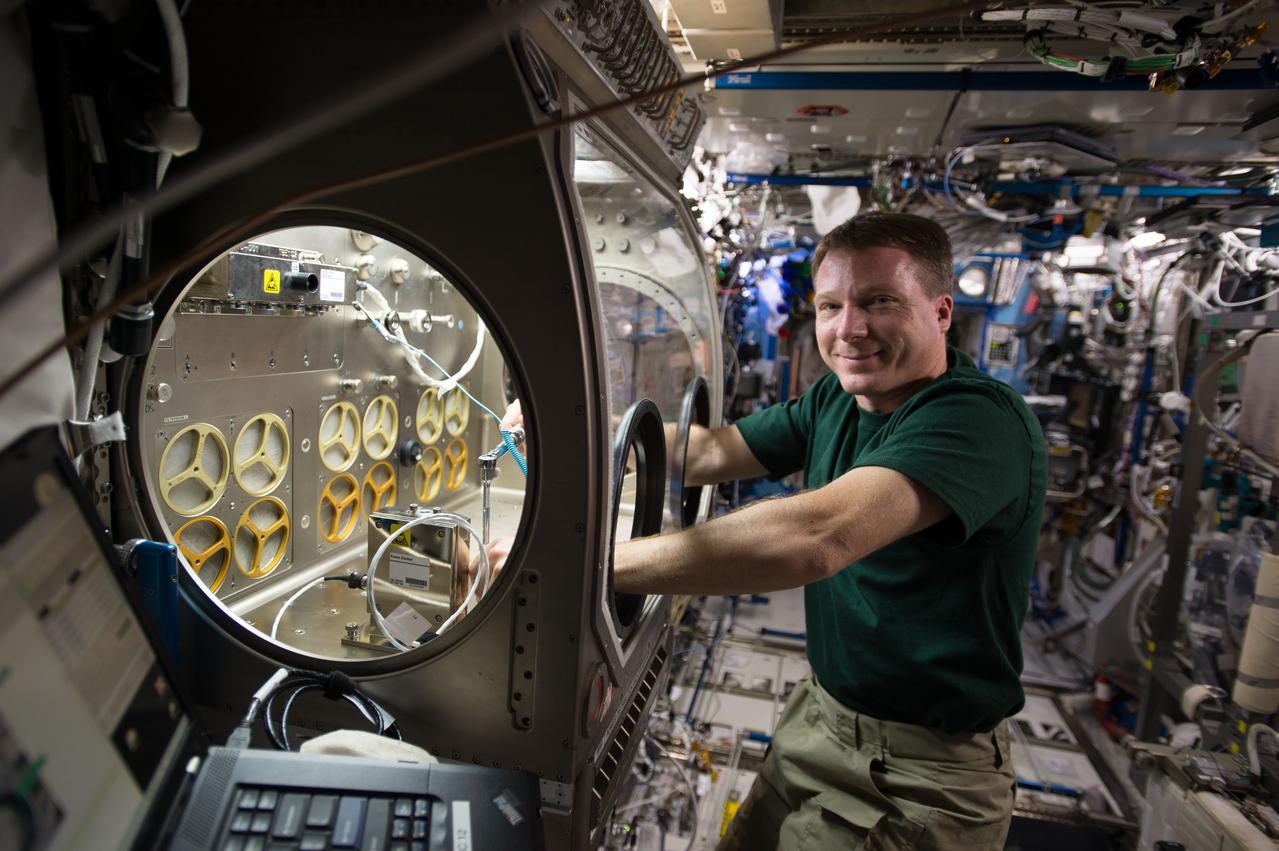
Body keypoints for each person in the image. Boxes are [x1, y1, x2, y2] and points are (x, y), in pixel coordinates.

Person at [501, 211, 1047, 850]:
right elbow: (710, 450)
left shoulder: (977, 420)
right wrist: (572, 435)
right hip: (818, 719)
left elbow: (814, 538)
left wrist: (577, 567)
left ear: (943, 312)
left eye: (880, 302)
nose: (850, 328)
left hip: (916, 774)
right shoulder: (838, 400)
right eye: (831, 306)